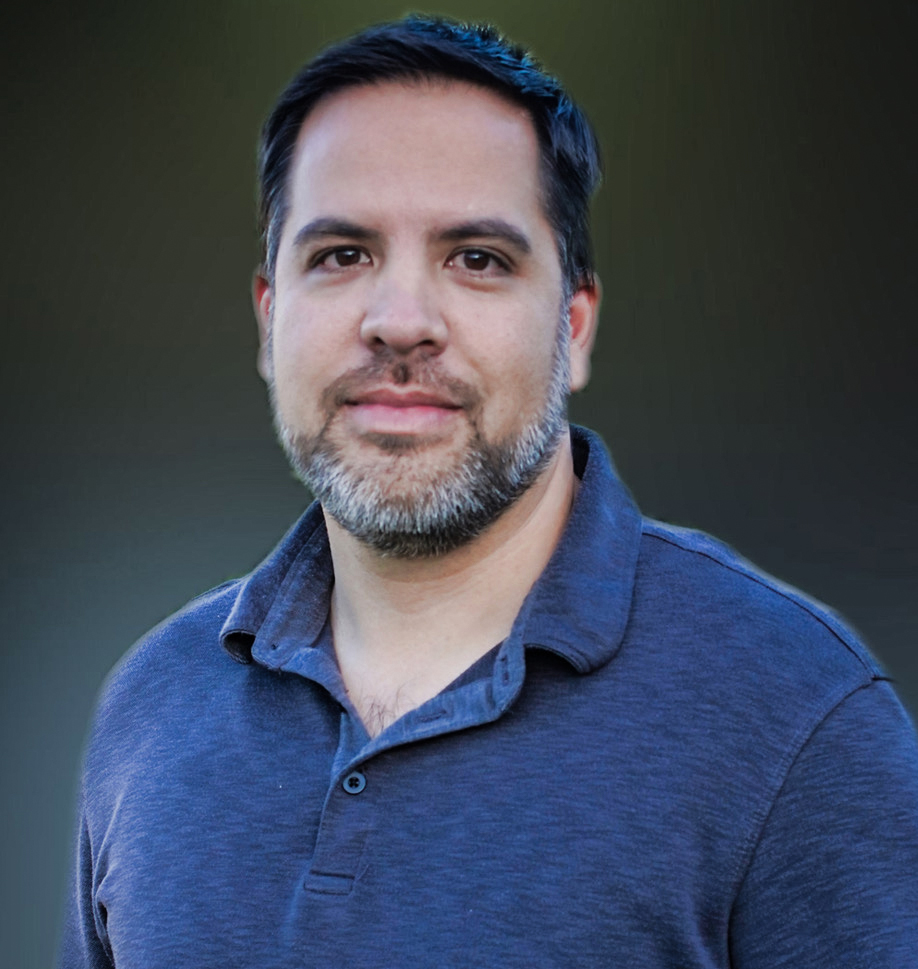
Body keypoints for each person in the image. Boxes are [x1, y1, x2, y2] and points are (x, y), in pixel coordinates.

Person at [60, 15, 918, 969]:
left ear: (574, 327)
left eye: (477, 258)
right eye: (342, 253)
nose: (400, 322)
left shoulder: (800, 717)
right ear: (270, 321)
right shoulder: (153, 702)